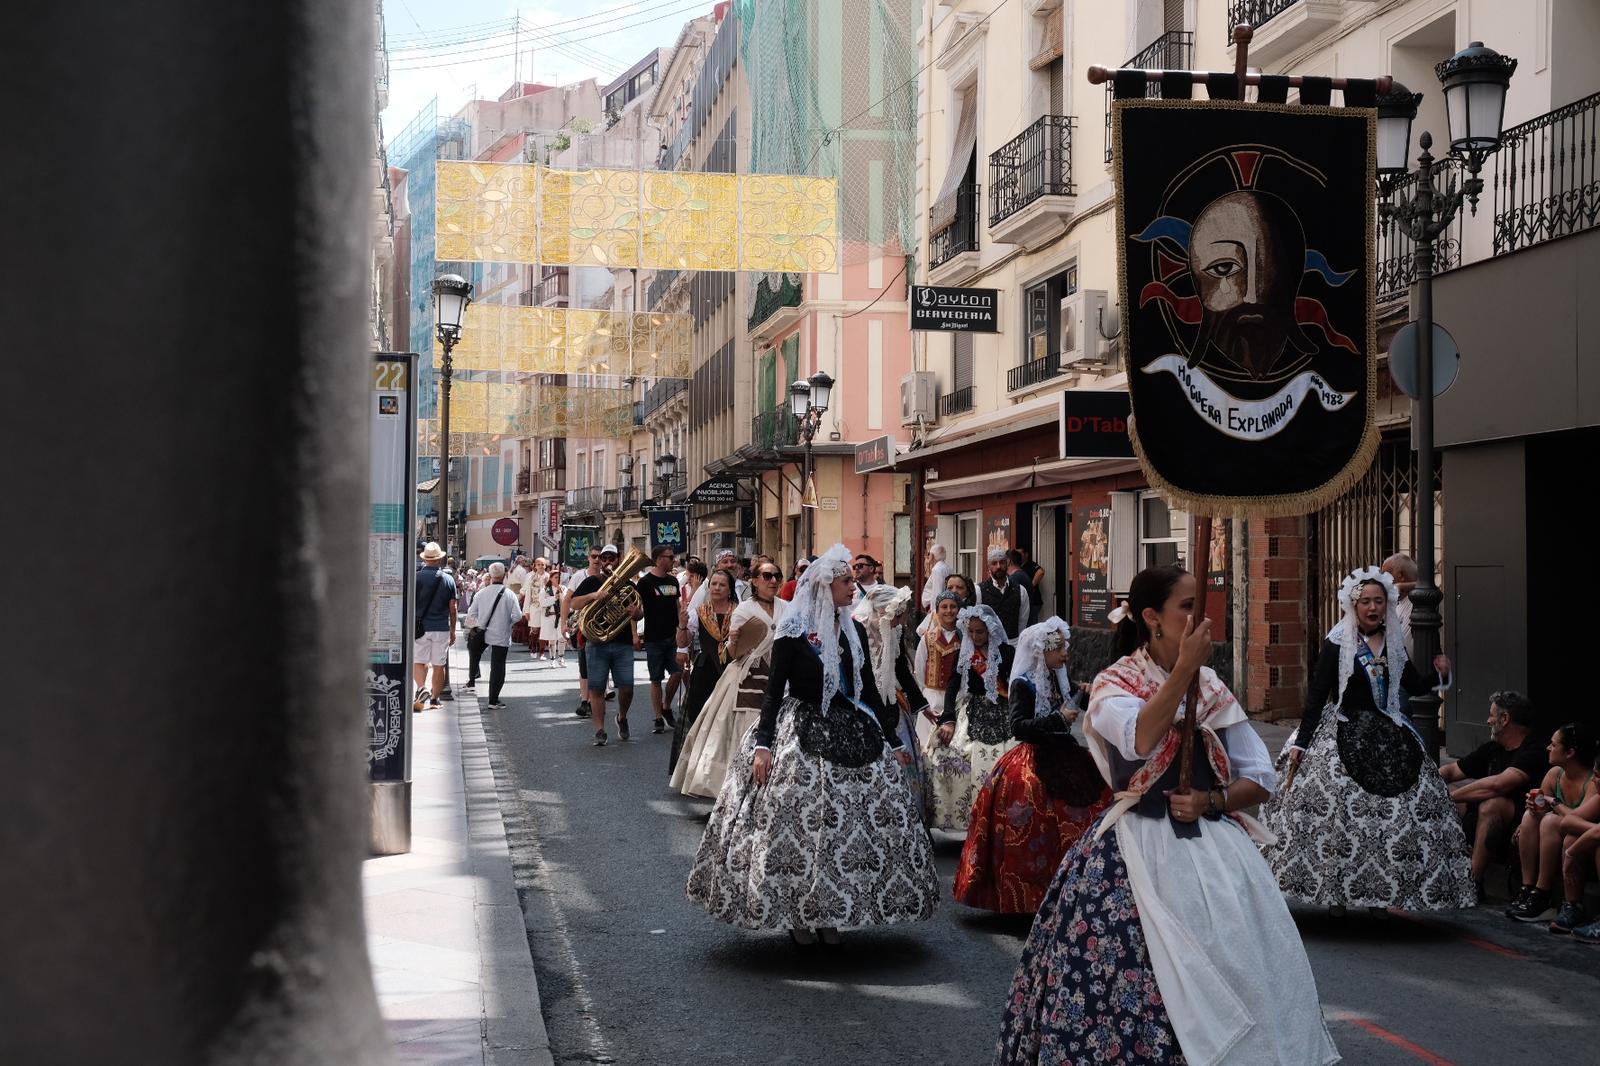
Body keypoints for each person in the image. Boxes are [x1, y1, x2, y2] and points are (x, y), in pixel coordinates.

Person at [996, 566, 1337, 1066]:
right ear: (1153, 618)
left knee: (1245, 970)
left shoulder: (1212, 686)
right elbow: (1141, 738)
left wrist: (1212, 802)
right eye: (1187, 606)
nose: (1200, 616)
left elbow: (1259, 776)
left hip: (1214, 851)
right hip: (1134, 849)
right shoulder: (1116, 684)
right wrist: (1184, 673)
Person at [686, 544, 939, 945]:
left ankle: (831, 912)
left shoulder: (852, 630)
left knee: (845, 828)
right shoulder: (793, 633)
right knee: (798, 827)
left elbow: (869, 690)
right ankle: (798, 916)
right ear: (825, 587)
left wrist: (891, 740)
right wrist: (764, 745)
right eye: (845, 583)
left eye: (852, 583)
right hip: (799, 728)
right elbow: (772, 693)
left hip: (850, 727)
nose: (852, 589)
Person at [1261, 566, 1475, 916]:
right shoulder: (1337, 644)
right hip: (1342, 731)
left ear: (1387, 604)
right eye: (1366, 601)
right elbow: (1317, 697)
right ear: (1353, 604)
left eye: (1379, 600)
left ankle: (1379, 895)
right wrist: (1302, 742)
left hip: (1390, 735)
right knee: (1339, 818)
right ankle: (1337, 896)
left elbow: (1414, 686)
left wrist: (1442, 673)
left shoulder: (1393, 643)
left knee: (1393, 817)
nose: (1372, 607)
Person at [954, 618, 1111, 913]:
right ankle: (1033, 896)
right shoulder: (1023, 684)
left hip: (1064, 755)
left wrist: (1100, 692)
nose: (1065, 654)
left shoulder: (1055, 677)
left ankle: (1074, 888)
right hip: (1034, 761)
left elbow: (1078, 694)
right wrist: (1058, 720)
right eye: (1059, 649)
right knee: (1034, 820)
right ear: (1042, 651)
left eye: (1065, 647)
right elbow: (1019, 727)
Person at [672, 561, 787, 799]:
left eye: (777, 576)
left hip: (778, 676)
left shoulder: (787, 607)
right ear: (754, 581)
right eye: (767, 576)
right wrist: (735, 642)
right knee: (728, 731)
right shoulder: (743, 610)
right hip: (742, 675)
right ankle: (729, 790)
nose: (773, 580)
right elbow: (733, 653)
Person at [1440, 691, 1547, 894]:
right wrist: (1428, 782)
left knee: (1492, 803)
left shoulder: (1534, 749)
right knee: (1452, 795)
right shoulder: (1494, 748)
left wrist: (1446, 796)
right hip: (1481, 821)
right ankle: (1439, 870)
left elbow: (1498, 785)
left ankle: (1473, 882)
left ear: (1505, 719)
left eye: (1491, 715)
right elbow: (1453, 770)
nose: (1488, 720)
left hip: (1520, 825)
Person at [924, 604, 1017, 834]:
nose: (975, 636)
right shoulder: (964, 653)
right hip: (971, 710)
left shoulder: (1006, 653)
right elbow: (953, 685)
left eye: (980, 632)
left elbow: (1015, 684)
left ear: (991, 631)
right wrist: (948, 718)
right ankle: (967, 821)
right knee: (945, 751)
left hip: (1003, 711)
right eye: (972, 632)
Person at [1504, 723, 1599, 926]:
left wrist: (1553, 803)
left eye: (1553, 744)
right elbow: (1546, 809)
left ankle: (1544, 894)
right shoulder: (1555, 774)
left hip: (1580, 839)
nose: (1548, 748)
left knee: (1550, 821)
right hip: (1559, 835)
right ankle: (1528, 888)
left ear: (1570, 752)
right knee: (1531, 818)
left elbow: (1574, 821)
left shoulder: (1592, 782)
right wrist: (1534, 807)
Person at [853, 584, 932, 818]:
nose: (901, 621)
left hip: (890, 703)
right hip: (863, 706)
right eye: (898, 615)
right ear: (882, 611)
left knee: (902, 759)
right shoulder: (859, 630)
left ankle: (904, 817)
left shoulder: (894, 631)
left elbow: (901, 670)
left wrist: (921, 704)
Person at [569, 544, 642, 746]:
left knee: (627, 688)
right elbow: (574, 603)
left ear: (618, 559)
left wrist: (636, 614)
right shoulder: (592, 581)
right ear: (600, 561)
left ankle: (622, 717)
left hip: (622, 643)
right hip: (597, 644)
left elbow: (640, 612)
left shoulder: (628, 585)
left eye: (611, 558)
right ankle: (600, 730)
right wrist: (594, 596)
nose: (607, 561)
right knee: (597, 688)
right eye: (604, 558)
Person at [669, 569, 736, 773]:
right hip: (705, 670)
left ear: (730, 590)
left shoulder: (739, 611)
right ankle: (696, 768)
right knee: (699, 718)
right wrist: (681, 625)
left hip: (731, 670)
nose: (716, 588)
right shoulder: (700, 612)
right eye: (713, 584)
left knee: (726, 720)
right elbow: (684, 641)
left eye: (721, 585)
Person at [635, 545, 684, 734]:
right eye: (670, 557)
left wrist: (682, 626)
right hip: (653, 636)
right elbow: (638, 610)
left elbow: (677, 605)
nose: (674, 560)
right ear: (658, 559)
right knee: (655, 679)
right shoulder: (645, 582)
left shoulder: (673, 581)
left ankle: (666, 706)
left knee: (677, 672)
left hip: (672, 635)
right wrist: (634, 633)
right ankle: (657, 717)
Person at [465, 562, 522, 709]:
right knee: (497, 666)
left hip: (481, 631)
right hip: (501, 633)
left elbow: (471, 615)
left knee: (474, 654)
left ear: (490, 576)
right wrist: (506, 622)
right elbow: (517, 616)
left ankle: (471, 680)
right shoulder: (509, 594)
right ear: (504, 576)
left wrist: (480, 623)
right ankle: (493, 699)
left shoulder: (481, 593)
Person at [913, 591, 963, 748]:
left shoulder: (965, 639)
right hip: (932, 696)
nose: (949, 611)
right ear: (937, 610)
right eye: (944, 607)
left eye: (953, 606)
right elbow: (919, 670)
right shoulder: (927, 638)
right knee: (926, 744)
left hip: (957, 698)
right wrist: (927, 694)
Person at [562, 547, 607, 718]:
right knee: (583, 664)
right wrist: (563, 624)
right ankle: (584, 700)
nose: (596, 560)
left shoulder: (607, 577)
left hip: (602, 624)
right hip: (582, 625)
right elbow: (568, 600)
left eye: (599, 557)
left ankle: (595, 698)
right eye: (593, 556)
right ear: (588, 558)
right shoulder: (579, 576)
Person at [412, 542, 457, 713]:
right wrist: (453, 630)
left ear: (424, 559)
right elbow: (453, 608)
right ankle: (435, 699)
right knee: (439, 664)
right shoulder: (448, 579)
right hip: (441, 627)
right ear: (439, 559)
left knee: (419, 661)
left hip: (420, 627)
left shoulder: (416, 577)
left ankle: (421, 688)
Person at [977, 548, 1028, 641]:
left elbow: (1022, 621)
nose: (998, 566)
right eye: (994, 563)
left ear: (1007, 563)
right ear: (988, 566)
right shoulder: (979, 590)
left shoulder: (1020, 590)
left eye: (1002, 562)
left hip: (1013, 644)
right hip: (989, 645)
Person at [1381, 552, 1418, 655]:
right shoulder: (1395, 602)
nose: (1383, 581)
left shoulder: (1419, 600)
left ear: (1401, 576)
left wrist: (1400, 587)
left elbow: (1430, 588)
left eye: (1386, 576)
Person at [1010, 547, 1045, 627]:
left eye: (1020, 554)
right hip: (1025, 602)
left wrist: (1031, 585)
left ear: (1026, 555)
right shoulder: (1018, 568)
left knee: (1030, 625)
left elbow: (1041, 572)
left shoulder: (1030, 565)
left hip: (1033, 601)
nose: (1018, 556)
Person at [536, 569, 564, 666]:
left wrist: (561, 594)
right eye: (556, 577)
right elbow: (542, 602)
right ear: (551, 578)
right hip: (550, 616)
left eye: (559, 578)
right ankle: (552, 659)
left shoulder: (563, 588)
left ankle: (561, 658)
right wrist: (554, 598)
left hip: (561, 616)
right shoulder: (545, 590)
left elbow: (566, 602)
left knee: (562, 638)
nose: (558, 579)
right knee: (552, 639)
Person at [921, 544, 952, 613]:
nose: (928, 556)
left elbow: (937, 591)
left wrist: (934, 609)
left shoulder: (937, 570)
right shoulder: (947, 567)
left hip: (935, 607)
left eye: (929, 554)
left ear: (932, 555)